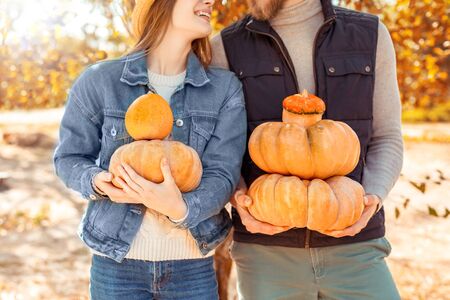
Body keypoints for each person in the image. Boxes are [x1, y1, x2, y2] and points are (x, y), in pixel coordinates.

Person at [53, 0, 247, 299]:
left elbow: (223, 173)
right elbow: (69, 158)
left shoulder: (224, 89)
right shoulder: (99, 81)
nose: (211, 1)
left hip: (192, 269)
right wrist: (98, 181)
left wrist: (180, 208)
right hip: (116, 268)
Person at [211, 0, 403, 298]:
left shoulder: (370, 34)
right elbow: (220, 152)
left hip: (356, 247)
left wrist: (370, 199)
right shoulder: (224, 46)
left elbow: (387, 137)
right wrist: (239, 199)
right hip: (267, 254)